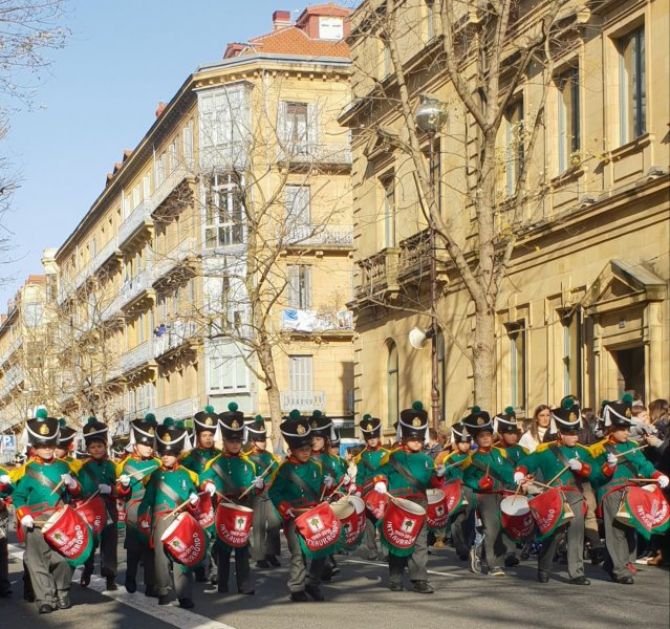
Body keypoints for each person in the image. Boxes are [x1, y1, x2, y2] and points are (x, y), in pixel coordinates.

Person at [515, 399, 597, 585]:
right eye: (570, 433)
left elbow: (595, 471)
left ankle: (576, 572)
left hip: (575, 495)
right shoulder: (546, 451)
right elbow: (528, 463)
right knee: (555, 534)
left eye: (576, 432)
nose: (575, 436)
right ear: (560, 433)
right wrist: (520, 472)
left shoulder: (583, 452)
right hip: (553, 496)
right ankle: (544, 566)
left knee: (576, 532)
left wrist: (583, 468)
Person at [590, 399, 669, 584]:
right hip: (611, 491)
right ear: (611, 428)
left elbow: (644, 464)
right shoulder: (598, 449)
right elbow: (594, 477)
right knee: (616, 531)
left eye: (627, 428)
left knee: (630, 530)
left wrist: (658, 475)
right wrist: (607, 468)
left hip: (632, 492)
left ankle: (613, 563)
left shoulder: (633, 447)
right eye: (622, 428)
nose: (627, 432)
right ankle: (619, 570)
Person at [13, 408, 82, 613]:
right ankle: (45, 599)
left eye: (51, 445)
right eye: (43, 446)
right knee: (37, 561)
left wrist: (72, 485)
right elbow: (18, 496)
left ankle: (62, 592)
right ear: (35, 447)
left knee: (62, 558)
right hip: (35, 521)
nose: (48, 449)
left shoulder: (64, 466)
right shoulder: (28, 469)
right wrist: (23, 515)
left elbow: (78, 493)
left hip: (60, 519)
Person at [372, 401, 445, 593]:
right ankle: (395, 578)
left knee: (420, 543)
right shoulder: (392, 457)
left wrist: (438, 475)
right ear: (404, 438)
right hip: (398, 504)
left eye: (420, 440)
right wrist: (380, 481)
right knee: (398, 541)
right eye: (413, 439)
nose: (417, 443)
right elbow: (380, 473)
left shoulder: (427, 459)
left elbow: (433, 485)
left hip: (420, 503)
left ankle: (419, 579)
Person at [268, 410, 331, 602]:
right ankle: (297, 587)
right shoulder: (285, 468)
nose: (305, 451)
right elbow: (274, 491)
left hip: (314, 514)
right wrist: (283, 506)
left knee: (321, 550)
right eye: (301, 448)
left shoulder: (316, 467)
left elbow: (321, 492)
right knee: (298, 552)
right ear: (292, 449)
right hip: (294, 515)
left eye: (308, 448)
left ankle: (313, 583)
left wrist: (329, 486)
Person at [138, 417, 201, 609]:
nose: (166, 457)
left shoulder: (185, 474)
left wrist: (194, 499)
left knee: (182, 556)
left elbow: (192, 494)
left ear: (177, 455)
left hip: (180, 519)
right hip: (160, 519)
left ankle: (185, 595)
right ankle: (163, 590)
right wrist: (143, 519)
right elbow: (147, 501)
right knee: (161, 557)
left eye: (170, 453)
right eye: (163, 453)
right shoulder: (155, 475)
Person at [201, 402, 258, 595]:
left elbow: (254, 483)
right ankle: (223, 584)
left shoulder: (247, 463)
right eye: (231, 441)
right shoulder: (215, 462)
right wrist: (208, 484)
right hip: (224, 508)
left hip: (242, 509)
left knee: (242, 547)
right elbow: (203, 478)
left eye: (238, 441)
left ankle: (244, 584)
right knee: (224, 548)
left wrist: (258, 485)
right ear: (224, 441)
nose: (235, 444)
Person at [462, 407, 516, 577]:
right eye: (481, 436)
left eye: (488, 435)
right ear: (476, 439)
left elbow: (508, 471)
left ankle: (479, 553)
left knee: (502, 527)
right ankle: (494, 565)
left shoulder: (500, 453)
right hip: (485, 496)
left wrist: (519, 478)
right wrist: (478, 483)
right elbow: (466, 478)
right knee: (491, 528)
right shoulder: (473, 459)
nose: (486, 439)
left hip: (502, 493)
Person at [115, 413, 160, 596]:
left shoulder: (158, 463)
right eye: (145, 444)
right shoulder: (126, 465)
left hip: (152, 509)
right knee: (134, 549)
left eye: (151, 444)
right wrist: (124, 485)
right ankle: (130, 577)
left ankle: (151, 585)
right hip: (134, 510)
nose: (149, 448)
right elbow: (120, 493)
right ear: (135, 445)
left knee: (151, 549)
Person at [76, 416, 118, 590]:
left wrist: (111, 490)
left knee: (110, 544)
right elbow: (79, 490)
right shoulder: (82, 468)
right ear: (88, 449)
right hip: (90, 510)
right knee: (91, 544)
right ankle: (87, 570)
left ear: (105, 446)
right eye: (93, 447)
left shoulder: (114, 466)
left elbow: (121, 489)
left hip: (108, 509)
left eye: (99, 446)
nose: (97, 449)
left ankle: (110, 578)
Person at [180, 405, 221, 583]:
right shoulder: (189, 458)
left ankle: (214, 569)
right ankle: (199, 566)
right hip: (198, 503)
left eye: (211, 435)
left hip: (217, 501)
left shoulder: (220, 455)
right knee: (201, 535)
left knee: (215, 536)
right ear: (198, 437)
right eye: (204, 435)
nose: (208, 438)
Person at [244, 415, 281, 569]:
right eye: (260, 439)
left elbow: (276, 473)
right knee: (258, 526)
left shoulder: (269, 457)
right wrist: (254, 482)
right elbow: (245, 477)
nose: (263, 442)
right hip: (256, 496)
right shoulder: (246, 458)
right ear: (252, 441)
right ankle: (259, 557)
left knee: (274, 522)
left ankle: (271, 553)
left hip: (269, 494)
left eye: (264, 439)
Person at [437, 422, 474, 561]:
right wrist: (440, 472)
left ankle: (469, 544)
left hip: (470, 492)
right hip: (454, 493)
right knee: (456, 521)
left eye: (467, 443)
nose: (465, 445)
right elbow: (443, 477)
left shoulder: (473, 457)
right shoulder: (448, 458)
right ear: (456, 443)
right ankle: (460, 546)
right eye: (462, 443)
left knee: (469, 520)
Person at [354, 414, 389, 560]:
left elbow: (390, 473)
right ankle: (372, 549)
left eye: (374, 437)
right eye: (369, 438)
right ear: (366, 439)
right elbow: (360, 476)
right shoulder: (361, 457)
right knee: (369, 522)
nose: (372, 440)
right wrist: (357, 491)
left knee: (384, 521)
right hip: (368, 492)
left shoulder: (387, 454)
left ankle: (387, 551)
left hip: (383, 492)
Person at [0, 462, 13, 598]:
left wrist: (6, 486)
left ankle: (3, 585)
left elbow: (13, 492)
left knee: (1, 550)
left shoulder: (2, 472)